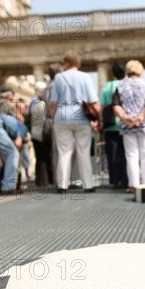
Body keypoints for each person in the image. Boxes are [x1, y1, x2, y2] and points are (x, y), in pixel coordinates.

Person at [49, 50, 100, 193]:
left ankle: (62, 185)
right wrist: (98, 117)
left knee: (64, 152)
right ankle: (88, 185)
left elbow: (53, 103)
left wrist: (53, 120)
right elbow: (93, 101)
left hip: (62, 117)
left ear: (66, 62)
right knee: (83, 151)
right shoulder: (85, 77)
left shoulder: (58, 78)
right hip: (81, 117)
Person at [113, 60, 145, 192]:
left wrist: (126, 118)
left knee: (131, 155)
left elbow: (116, 105)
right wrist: (141, 117)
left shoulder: (120, 86)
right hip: (144, 124)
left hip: (128, 125)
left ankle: (133, 184)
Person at [100, 61, 128, 189]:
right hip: (126, 123)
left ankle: (115, 181)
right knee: (125, 153)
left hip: (110, 125)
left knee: (112, 154)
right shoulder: (127, 85)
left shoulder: (107, 86)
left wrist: (100, 122)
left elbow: (101, 106)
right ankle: (126, 179)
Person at [29, 82, 54, 187]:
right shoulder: (44, 104)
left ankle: (40, 181)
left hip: (35, 133)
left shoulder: (32, 103)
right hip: (44, 134)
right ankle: (50, 179)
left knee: (39, 158)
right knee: (48, 157)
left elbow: (29, 118)